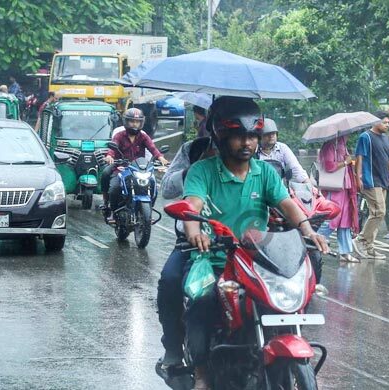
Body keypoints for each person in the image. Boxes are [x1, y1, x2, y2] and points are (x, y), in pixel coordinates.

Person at [179, 96, 328, 389]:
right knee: (201, 300)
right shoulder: (203, 171)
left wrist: (308, 231)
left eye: (251, 136)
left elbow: (286, 204)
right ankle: (201, 372)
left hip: (256, 262)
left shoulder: (265, 173)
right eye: (238, 136)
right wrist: (194, 231)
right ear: (221, 136)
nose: (246, 143)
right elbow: (191, 205)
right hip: (214, 258)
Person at [155, 136, 216, 384]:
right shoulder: (193, 150)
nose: (244, 142)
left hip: (245, 245)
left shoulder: (258, 163)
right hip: (194, 244)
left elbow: (282, 197)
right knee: (170, 280)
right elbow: (168, 189)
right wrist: (191, 170)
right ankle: (173, 347)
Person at [353, 112, 389, 260]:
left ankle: (369, 248)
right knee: (379, 212)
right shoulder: (366, 137)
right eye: (384, 122)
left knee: (376, 214)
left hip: (383, 181)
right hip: (370, 180)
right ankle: (360, 240)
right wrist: (358, 177)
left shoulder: (385, 139)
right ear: (375, 122)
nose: (387, 125)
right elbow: (359, 157)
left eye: (388, 123)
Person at [101, 108, 169, 218]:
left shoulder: (143, 136)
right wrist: (109, 156)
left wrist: (160, 158)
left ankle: (148, 210)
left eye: (137, 122)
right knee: (112, 185)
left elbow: (152, 148)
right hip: (121, 167)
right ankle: (108, 204)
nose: (135, 124)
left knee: (152, 185)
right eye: (132, 121)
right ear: (126, 122)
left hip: (140, 168)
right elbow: (112, 148)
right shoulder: (119, 135)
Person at [316, 134, 359, 262]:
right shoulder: (330, 146)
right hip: (334, 188)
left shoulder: (342, 146)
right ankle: (314, 240)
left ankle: (345, 252)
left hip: (345, 187)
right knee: (332, 218)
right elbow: (330, 166)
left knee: (345, 220)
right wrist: (346, 161)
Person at [257, 118, 309, 183]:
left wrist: (309, 185)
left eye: (273, 133)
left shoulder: (282, 148)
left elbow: (296, 169)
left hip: (279, 188)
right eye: (267, 134)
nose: (271, 136)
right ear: (259, 136)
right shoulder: (254, 151)